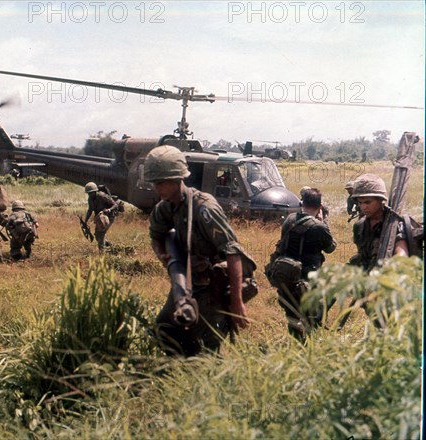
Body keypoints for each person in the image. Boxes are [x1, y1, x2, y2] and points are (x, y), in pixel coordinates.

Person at [145, 145, 256, 356]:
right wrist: (164, 257)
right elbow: (156, 235)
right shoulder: (166, 206)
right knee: (164, 329)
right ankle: (181, 371)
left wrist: (237, 303)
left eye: (161, 182)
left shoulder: (204, 208)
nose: (156, 188)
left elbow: (233, 252)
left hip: (215, 283)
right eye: (154, 183)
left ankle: (207, 377)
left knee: (206, 346)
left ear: (178, 179)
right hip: (188, 281)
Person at [274, 188, 337, 340]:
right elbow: (330, 248)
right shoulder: (319, 227)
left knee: (292, 307)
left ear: (302, 203)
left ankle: (296, 337)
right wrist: (324, 222)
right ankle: (310, 334)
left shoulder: (289, 219)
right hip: (309, 275)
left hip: (287, 271)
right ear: (320, 206)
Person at [349, 174, 408, 272]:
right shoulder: (359, 226)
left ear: (380, 200)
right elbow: (362, 254)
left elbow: (402, 257)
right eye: (360, 202)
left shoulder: (394, 224)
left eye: (368, 202)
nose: (363, 207)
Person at [83, 182, 119, 251]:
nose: (90, 195)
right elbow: (90, 210)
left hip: (109, 216)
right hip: (100, 218)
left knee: (101, 234)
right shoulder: (90, 199)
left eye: (91, 193)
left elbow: (115, 205)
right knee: (97, 236)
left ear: (95, 191)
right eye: (88, 193)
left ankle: (102, 253)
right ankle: (111, 247)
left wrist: (109, 210)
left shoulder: (102, 196)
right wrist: (85, 221)